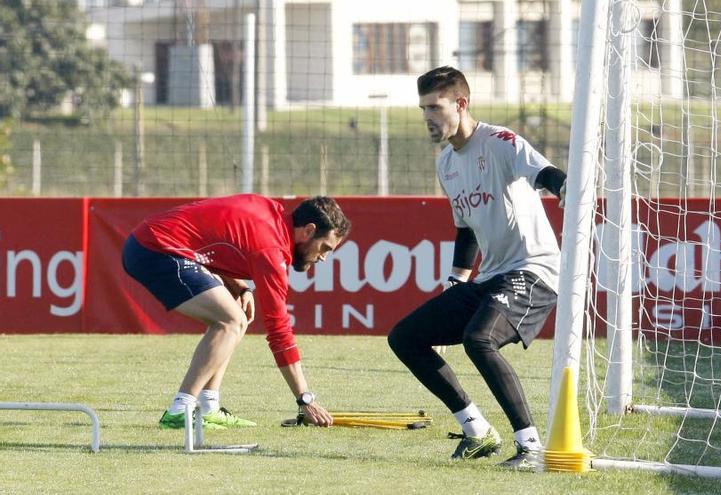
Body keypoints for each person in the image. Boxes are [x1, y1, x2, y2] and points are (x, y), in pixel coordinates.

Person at [387, 66, 567, 471]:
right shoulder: (447, 163)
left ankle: (531, 446)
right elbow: (465, 229)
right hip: (490, 277)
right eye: (422, 109)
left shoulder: (500, 142)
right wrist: (456, 283)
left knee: (478, 339)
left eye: (434, 107)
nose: (428, 117)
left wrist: (566, 190)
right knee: (405, 337)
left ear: (461, 103)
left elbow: (546, 173)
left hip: (534, 270)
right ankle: (477, 430)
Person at [122, 194, 351, 430]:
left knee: (235, 318)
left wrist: (240, 286)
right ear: (309, 231)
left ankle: (208, 407)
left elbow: (211, 237)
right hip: (155, 250)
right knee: (230, 321)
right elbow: (279, 330)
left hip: (153, 243)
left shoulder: (271, 213)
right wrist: (305, 399)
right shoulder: (272, 249)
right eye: (325, 247)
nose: (323, 257)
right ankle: (181, 409)